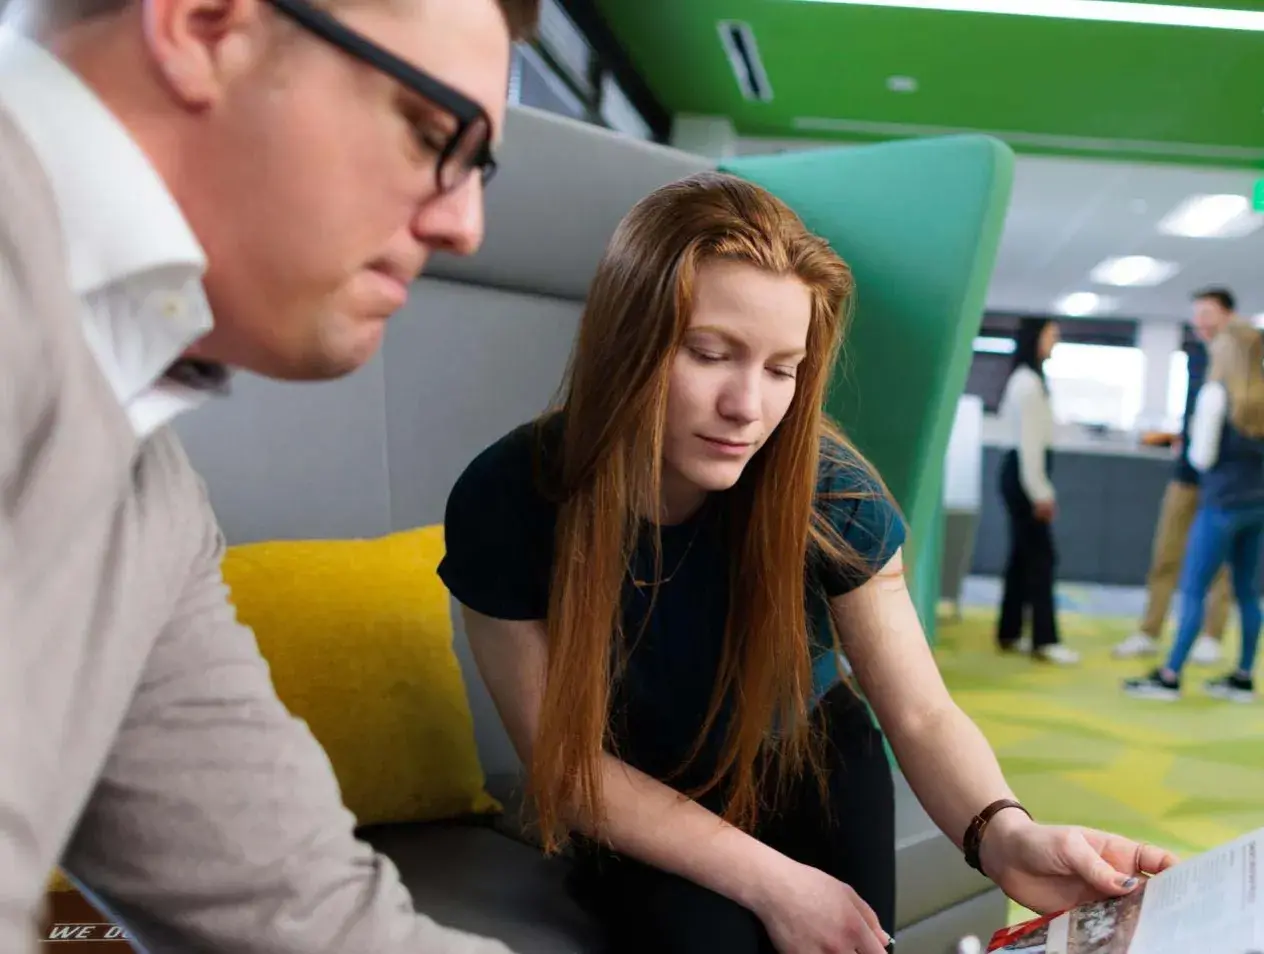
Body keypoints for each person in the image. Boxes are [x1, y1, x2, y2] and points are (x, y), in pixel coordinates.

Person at [437, 173, 1175, 954]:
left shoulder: (829, 489)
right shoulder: (505, 498)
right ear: (625, 341)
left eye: (782, 368)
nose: (747, 406)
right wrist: (776, 882)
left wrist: (1005, 834)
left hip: (812, 764)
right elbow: (569, 766)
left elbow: (921, 713)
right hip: (638, 799)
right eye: (710, 353)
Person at [0, 0, 538, 950]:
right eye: (429, 132)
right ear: (204, 24)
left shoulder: (146, 496)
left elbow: (307, 917)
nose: (466, 225)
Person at [1124, 320, 1264, 702]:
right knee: (1248, 593)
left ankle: (1169, 675)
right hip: (1258, 507)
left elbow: (1202, 456)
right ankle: (1243, 676)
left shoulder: (1216, 396)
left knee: (1194, 588)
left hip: (1220, 505)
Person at [1113, 289, 1238, 664]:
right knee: (1166, 553)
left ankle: (1211, 636)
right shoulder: (1196, 357)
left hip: (1225, 481)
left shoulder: (1245, 361)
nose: (1201, 321)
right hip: (1186, 475)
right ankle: (1149, 630)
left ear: (1228, 316)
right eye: (1197, 314)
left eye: (1208, 313)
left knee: (1219, 563)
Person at [993, 317, 1079, 664]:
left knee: (1022, 557)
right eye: (1051, 335)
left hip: (1019, 474)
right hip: (1025, 476)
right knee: (1042, 558)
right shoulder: (1027, 384)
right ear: (1035, 339)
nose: (1055, 342)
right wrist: (1041, 493)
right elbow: (1030, 446)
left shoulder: (1029, 380)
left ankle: (1010, 631)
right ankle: (1045, 640)